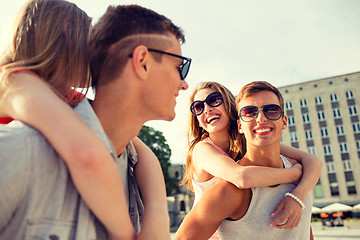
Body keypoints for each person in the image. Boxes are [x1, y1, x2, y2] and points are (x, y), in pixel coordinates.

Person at [0, 2, 189, 240]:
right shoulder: (15, 86)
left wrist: (158, 208)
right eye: (179, 67)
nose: (93, 54)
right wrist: (124, 234)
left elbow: (135, 147)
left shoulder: (64, 101)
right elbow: (87, 154)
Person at [175, 81, 317, 240]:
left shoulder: (249, 139)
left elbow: (311, 160)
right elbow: (241, 177)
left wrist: (298, 195)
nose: (207, 109)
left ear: (229, 104)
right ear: (197, 119)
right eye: (198, 107)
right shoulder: (202, 149)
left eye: (213, 100)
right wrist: (292, 174)